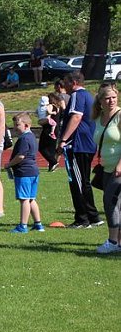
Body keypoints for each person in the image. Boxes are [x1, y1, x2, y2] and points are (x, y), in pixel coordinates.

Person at [58, 71, 102, 228]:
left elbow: (76, 117)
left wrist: (63, 140)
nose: (64, 86)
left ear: (74, 82)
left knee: (77, 182)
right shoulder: (89, 96)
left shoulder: (77, 95)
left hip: (78, 144)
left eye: (66, 82)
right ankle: (93, 216)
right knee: (84, 181)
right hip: (88, 144)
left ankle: (82, 219)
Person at [92, 83, 121, 253]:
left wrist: (119, 165)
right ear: (100, 100)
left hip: (118, 168)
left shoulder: (119, 115)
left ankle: (112, 241)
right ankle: (119, 242)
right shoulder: (98, 117)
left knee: (110, 202)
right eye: (107, 98)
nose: (111, 101)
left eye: (114, 97)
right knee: (117, 205)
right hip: (106, 168)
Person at [6, 113, 45, 233]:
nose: (15, 128)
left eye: (17, 125)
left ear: (26, 125)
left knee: (24, 199)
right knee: (31, 198)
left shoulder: (24, 138)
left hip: (24, 172)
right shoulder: (32, 136)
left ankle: (23, 226)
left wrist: (9, 164)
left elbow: (21, 156)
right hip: (33, 171)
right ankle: (38, 224)